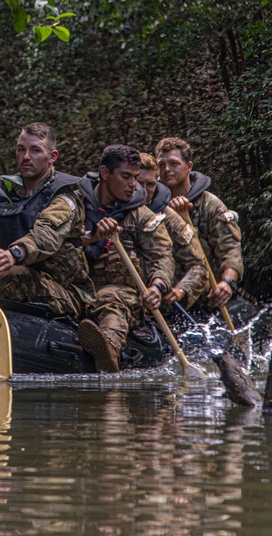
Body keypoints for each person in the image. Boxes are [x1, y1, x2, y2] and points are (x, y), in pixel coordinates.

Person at [0, 122, 93, 317]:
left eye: (35, 151)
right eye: (21, 150)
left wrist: (14, 253)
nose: (26, 157)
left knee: (15, 276)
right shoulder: (1, 188)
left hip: (62, 290)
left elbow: (46, 234)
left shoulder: (65, 196)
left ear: (52, 157)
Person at [77, 145, 174, 372]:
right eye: (126, 177)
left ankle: (108, 351)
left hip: (121, 294)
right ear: (104, 173)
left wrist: (157, 288)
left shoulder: (141, 215)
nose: (134, 185)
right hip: (76, 289)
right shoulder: (76, 205)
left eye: (136, 178)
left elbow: (162, 256)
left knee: (111, 301)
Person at [155, 137, 243, 308]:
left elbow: (230, 248)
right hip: (166, 292)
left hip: (207, 291)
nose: (166, 170)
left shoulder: (211, 205)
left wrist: (227, 282)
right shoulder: (152, 205)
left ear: (189, 166)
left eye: (173, 164)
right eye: (161, 165)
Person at [137, 152, 208, 309]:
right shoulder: (112, 213)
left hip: (162, 297)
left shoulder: (169, 217)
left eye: (150, 185)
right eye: (138, 183)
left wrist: (181, 290)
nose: (143, 191)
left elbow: (199, 265)